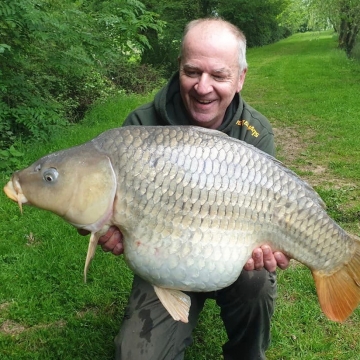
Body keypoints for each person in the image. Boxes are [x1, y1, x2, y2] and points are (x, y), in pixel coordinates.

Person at [97, 17, 290, 360]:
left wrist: (267, 247)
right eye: (192, 72)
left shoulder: (256, 133)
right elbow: (108, 212)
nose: (203, 87)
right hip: (164, 262)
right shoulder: (140, 128)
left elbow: (270, 220)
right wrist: (112, 230)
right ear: (179, 68)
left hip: (231, 258)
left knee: (257, 281)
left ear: (241, 77)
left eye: (218, 75)